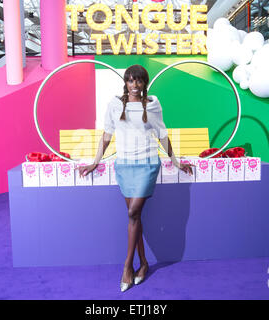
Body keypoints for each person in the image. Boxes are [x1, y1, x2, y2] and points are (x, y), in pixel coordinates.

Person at [77, 65, 194, 292]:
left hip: (147, 164)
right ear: (126, 82)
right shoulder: (114, 104)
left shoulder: (152, 104)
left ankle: (127, 267)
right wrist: (96, 161)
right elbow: (107, 135)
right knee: (136, 217)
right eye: (131, 81)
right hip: (124, 165)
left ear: (144, 83)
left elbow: (162, 134)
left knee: (132, 213)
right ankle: (144, 264)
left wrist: (176, 161)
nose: (135, 85)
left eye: (139, 81)